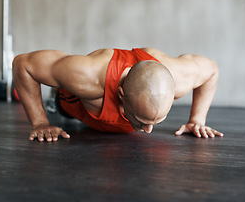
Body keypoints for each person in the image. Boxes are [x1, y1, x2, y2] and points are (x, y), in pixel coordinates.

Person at [13, 47, 224, 142]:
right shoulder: (86, 76)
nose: (149, 131)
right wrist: (40, 123)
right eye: (142, 121)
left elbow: (212, 69)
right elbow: (23, 64)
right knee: (59, 96)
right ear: (121, 95)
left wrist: (197, 120)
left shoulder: (179, 77)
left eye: (157, 121)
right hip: (68, 105)